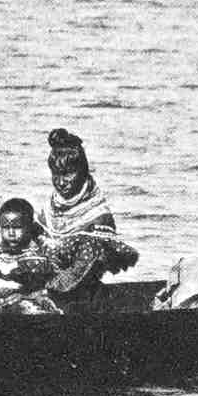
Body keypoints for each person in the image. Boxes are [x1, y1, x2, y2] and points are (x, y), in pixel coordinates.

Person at [37, 129, 139, 302]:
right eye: (56, 174)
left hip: (80, 294)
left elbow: (85, 269)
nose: (60, 182)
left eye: (68, 174)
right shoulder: (48, 209)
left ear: (82, 171)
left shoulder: (99, 217)